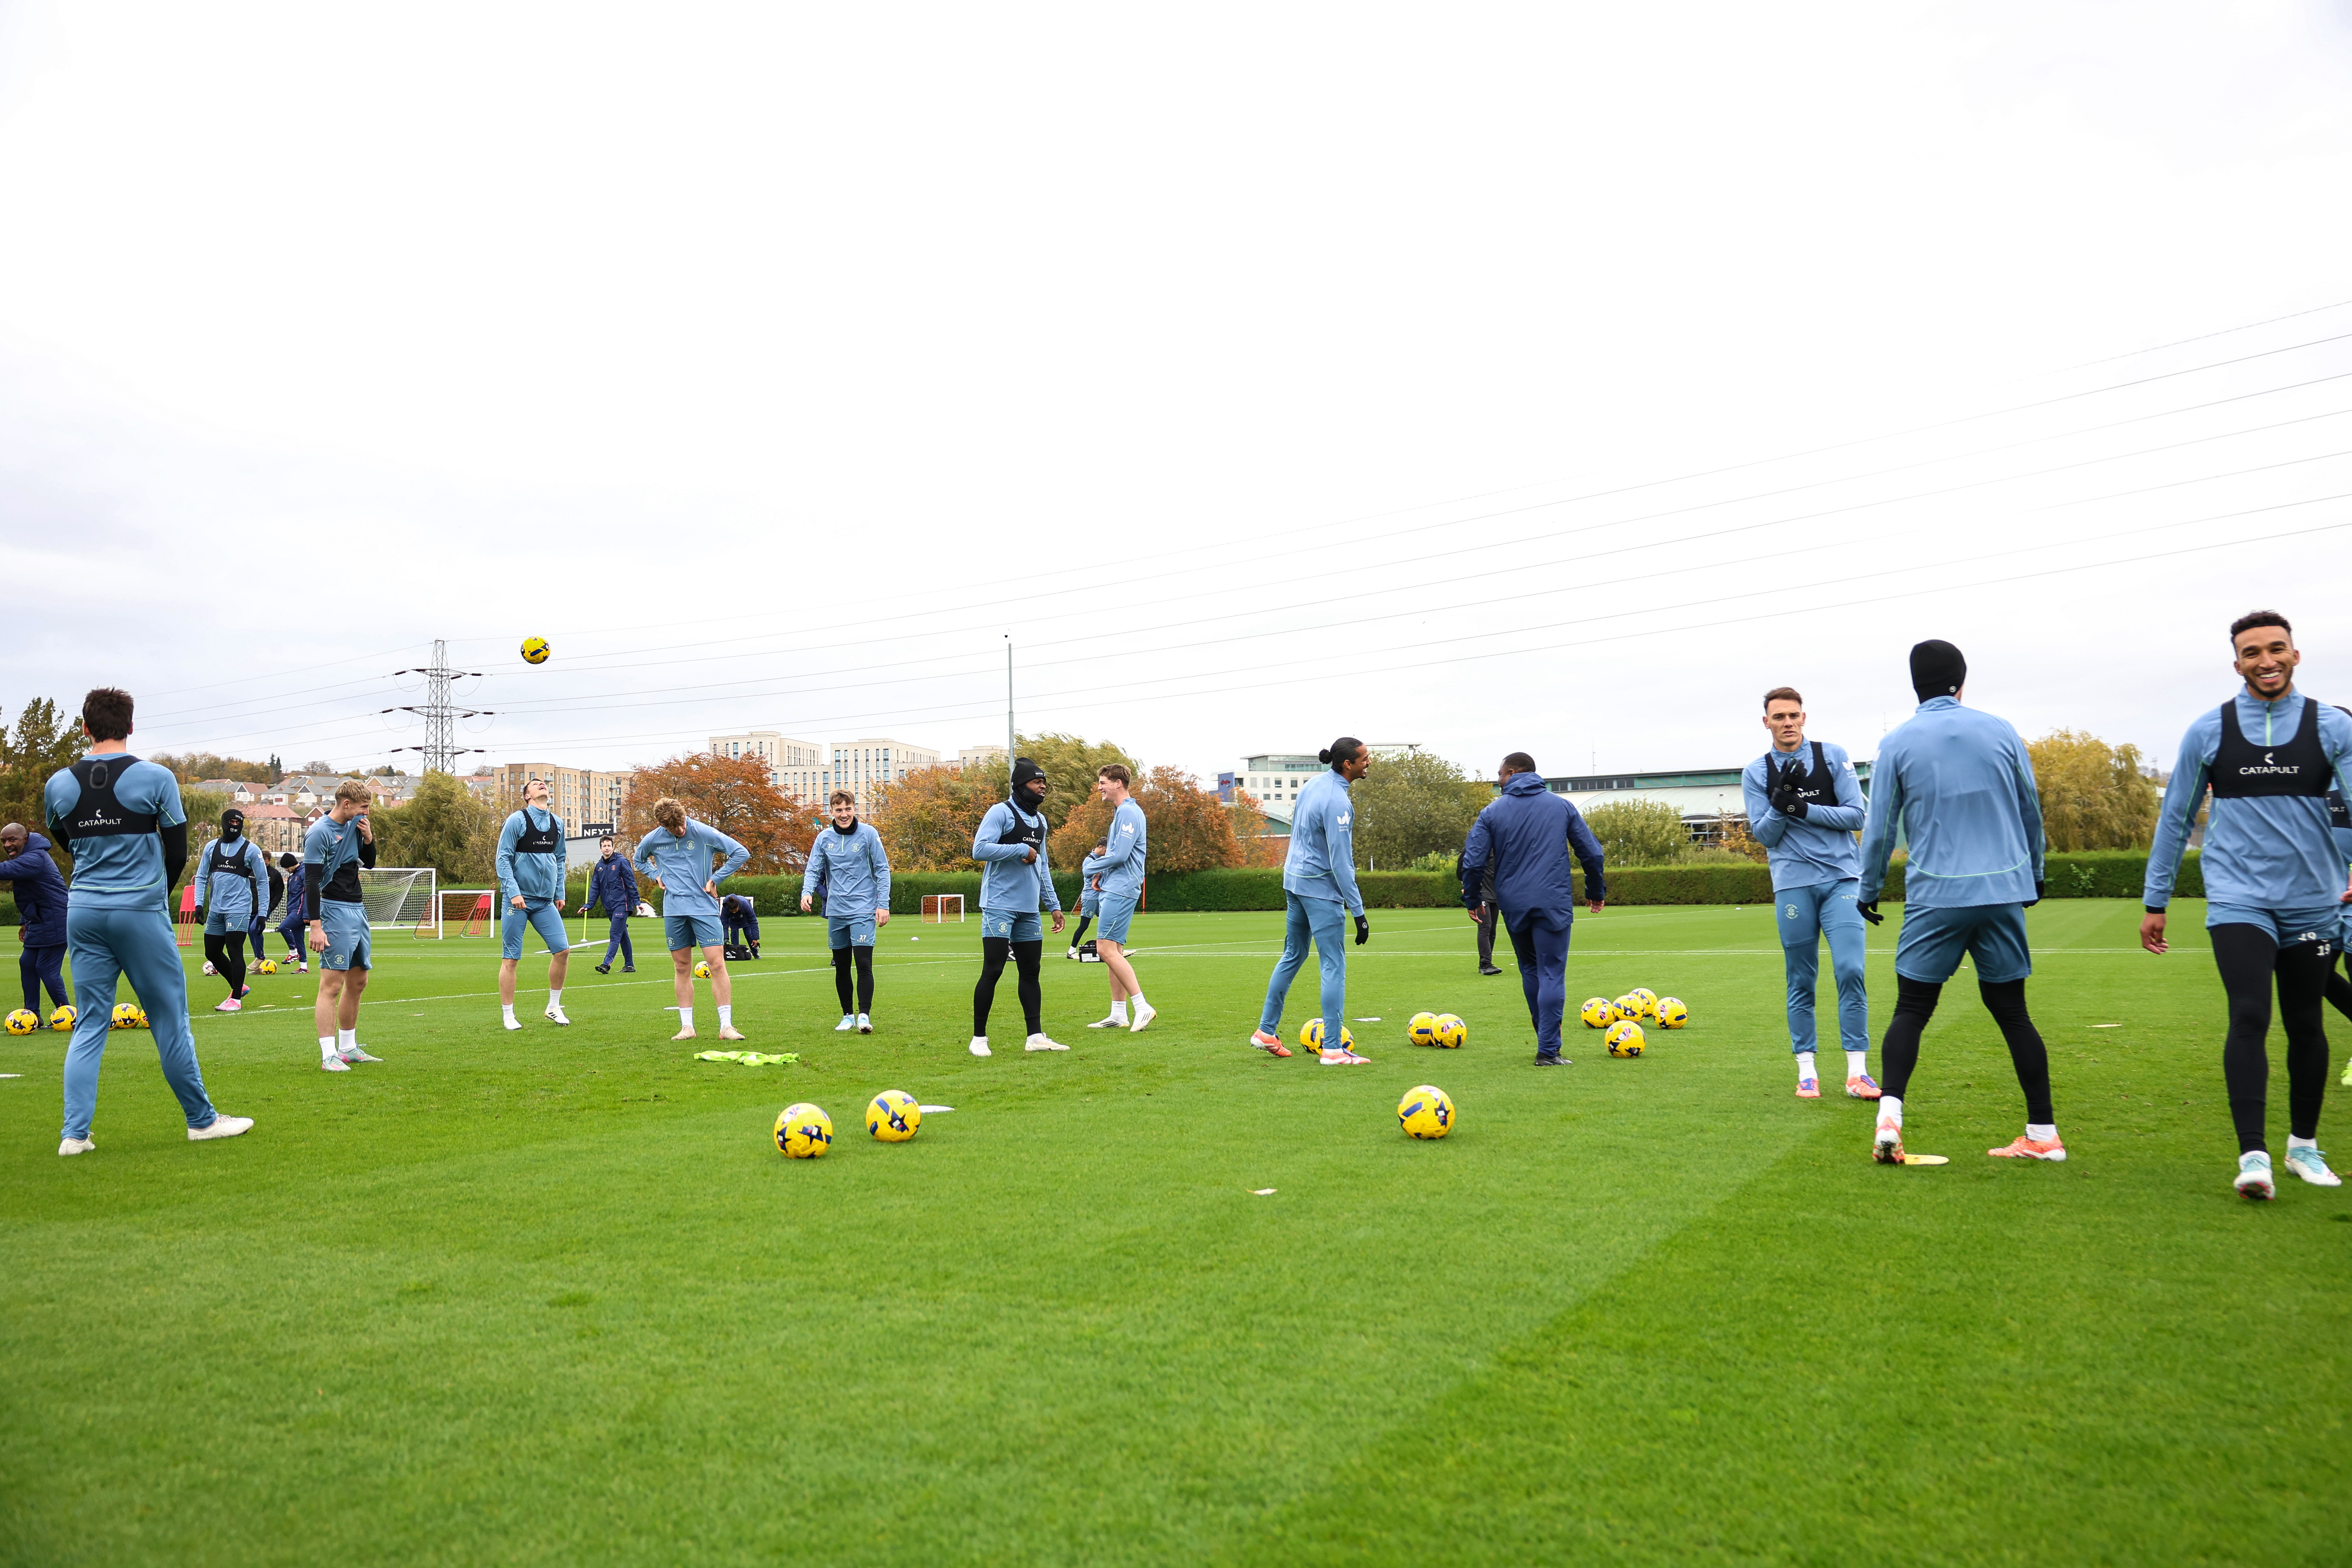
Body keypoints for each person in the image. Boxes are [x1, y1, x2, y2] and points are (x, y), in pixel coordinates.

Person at [2142, 612, 2352, 1198]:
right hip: (2238, 898)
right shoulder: (2207, 730)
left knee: (2306, 1023)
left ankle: (2303, 1148)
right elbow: (2175, 819)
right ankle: (2253, 1155)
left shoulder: (2333, 726)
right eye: (2253, 652)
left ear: (2295, 654)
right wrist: (2155, 898)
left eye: (2276, 649)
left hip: (2313, 902)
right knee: (2250, 1014)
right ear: (2237, 664)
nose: (2266, 660)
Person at [1858, 640, 2061, 1166]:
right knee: (2013, 1011)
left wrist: (1868, 890)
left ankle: (1890, 1117)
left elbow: (1879, 828)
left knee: (1912, 1008)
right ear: (1962, 679)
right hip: (2000, 891)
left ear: (1914, 685)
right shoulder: (2000, 730)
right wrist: (2034, 875)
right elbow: (2029, 809)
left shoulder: (1897, 742)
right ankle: (2043, 1132)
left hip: (1936, 894)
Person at [45, 686, 251, 1154]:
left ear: (85, 727)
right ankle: (201, 1121)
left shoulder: (58, 783)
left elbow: (65, 838)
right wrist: (153, 893)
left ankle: (73, 1135)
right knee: (169, 1020)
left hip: (83, 910)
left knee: (90, 1022)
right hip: (138, 909)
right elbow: (176, 850)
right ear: (132, 727)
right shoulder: (156, 777)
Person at [1741, 686, 1879, 1100]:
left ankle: (1857, 1072)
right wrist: (1777, 804)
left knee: (1850, 970)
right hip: (1792, 885)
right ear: (1765, 721)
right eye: (1779, 716)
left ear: (1804, 718)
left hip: (1841, 879)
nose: (1787, 722)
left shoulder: (1832, 755)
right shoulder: (1756, 771)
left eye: (1794, 715)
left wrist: (1799, 808)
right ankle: (1807, 1071)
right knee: (1800, 978)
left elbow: (1856, 814)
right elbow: (1763, 834)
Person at [1459, 753, 1606, 1065]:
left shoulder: (1492, 812)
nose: (1497, 780)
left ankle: (1546, 1040)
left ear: (1512, 773)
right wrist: (1595, 891)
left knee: (1530, 969)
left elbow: (1472, 862)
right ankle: (1548, 1049)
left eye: (1499, 774)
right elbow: (1592, 854)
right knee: (1552, 972)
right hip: (1553, 901)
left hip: (1513, 903)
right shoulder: (1561, 806)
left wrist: (1473, 900)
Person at [1250, 737, 1374, 1064]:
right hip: (1319, 890)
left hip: (1294, 882)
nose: (1368, 762)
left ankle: (1265, 1031)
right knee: (1333, 963)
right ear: (1348, 764)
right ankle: (1333, 1049)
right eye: (1364, 758)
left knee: (1293, 954)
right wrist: (1359, 912)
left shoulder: (1313, 785)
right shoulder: (1338, 802)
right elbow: (1341, 861)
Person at [968, 757, 1067, 1057]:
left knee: (1031, 971)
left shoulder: (1041, 821)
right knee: (994, 969)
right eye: (1037, 782)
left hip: (1028, 909)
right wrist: (1020, 849)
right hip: (999, 905)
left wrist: (1053, 904)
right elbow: (979, 849)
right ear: (1021, 785)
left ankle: (1035, 1037)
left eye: (1044, 783)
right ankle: (979, 1039)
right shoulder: (1001, 812)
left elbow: (1044, 865)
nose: (1042, 788)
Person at [633, 796, 750, 1042]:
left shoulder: (704, 832)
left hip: (704, 909)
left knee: (717, 965)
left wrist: (716, 879)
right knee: (681, 967)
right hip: (674, 911)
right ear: (663, 826)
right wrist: (656, 875)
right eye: (675, 828)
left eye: (682, 824)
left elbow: (740, 852)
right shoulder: (654, 839)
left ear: (685, 816)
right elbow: (638, 859)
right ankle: (687, 1027)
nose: (681, 830)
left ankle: (726, 1027)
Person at [305, 778, 384, 1071]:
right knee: (332, 985)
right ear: (346, 804)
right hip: (333, 909)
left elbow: (370, 863)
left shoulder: (357, 824)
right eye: (364, 807)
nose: (367, 812)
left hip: (357, 908)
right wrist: (315, 925)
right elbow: (312, 881)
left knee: (359, 981)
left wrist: (368, 838)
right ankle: (328, 1055)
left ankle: (349, 1048)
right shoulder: (319, 833)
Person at [801, 791, 891, 1033]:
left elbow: (882, 869)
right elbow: (813, 869)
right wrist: (807, 892)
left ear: (855, 809)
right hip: (837, 910)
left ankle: (864, 1016)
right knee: (841, 966)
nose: (844, 814)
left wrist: (883, 904)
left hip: (863, 908)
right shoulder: (823, 838)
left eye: (848, 809)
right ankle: (847, 1016)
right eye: (839, 810)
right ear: (831, 811)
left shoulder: (869, 834)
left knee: (863, 964)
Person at [1081, 764, 1154, 1032]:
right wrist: (1104, 874)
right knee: (1115, 951)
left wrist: (1090, 867)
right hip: (1117, 884)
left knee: (1105, 949)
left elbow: (1121, 854)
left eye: (1103, 782)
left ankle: (1143, 1006)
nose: (1099, 787)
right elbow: (1117, 854)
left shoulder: (1128, 812)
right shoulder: (1122, 812)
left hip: (1122, 888)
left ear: (1118, 783)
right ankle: (1118, 1013)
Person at [494, 777, 571, 1031]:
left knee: (562, 951)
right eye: (535, 784)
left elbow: (559, 859)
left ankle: (553, 1007)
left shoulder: (557, 823)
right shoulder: (517, 820)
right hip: (516, 901)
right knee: (511, 959)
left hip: (545, 902)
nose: (542, 785)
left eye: (544, 783)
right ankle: (508, 1014)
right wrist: (513, 891)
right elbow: (503, 858)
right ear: (527, 796)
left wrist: (559, 891)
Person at [193, 808, 272, 1012]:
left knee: (234, 950)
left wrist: (263, 913)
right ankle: (240, 985)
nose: (234, 826)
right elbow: (201, 877)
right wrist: (198, 903)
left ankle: (236, 999)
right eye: (231, 822)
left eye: (239, 823)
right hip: (216, 910)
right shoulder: (211, 847)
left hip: (239, 909)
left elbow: (263, 883)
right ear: (224, 823)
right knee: (212, 952)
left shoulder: (251, 850)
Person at [0, 821, 70, 1019]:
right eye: (4, 841)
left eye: (12, 840)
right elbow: (32, 894)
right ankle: (32, 1015)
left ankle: (68, 1014)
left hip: (57, 919)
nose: (7, 845)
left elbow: (6, 871)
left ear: (25, 839)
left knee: (46, 968)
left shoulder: (36, 857)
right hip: (39, 921)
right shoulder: (26, 857)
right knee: (28, 963)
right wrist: (25, 921)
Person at [587, 835, 638, 974]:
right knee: (623, 937)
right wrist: (589, 905)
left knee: (614, 934)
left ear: (613, 847)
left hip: (622, 904)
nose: (607, 848)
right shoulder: (599, 867)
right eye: (604, 846)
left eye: (609, 846)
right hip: (609, 907)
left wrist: (637, 901)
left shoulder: (622, 862)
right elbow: (595, 887)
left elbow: (631, 882)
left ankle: (606, 964)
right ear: (601, 848)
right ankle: (629, 966)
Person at [1065, 843, 1104, 958]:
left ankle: (1114, 950)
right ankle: (1071, 951)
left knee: (1107, 922)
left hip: (1101, 896)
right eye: (1106, 850)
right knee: (1084, 925)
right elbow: (1091, 876)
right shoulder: (1089, 860)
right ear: (1100, 847)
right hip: (1090, 897)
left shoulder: (1102, 859)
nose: (1107, 853)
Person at [274, 853, 308, 969]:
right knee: (299, 938)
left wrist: (307, 914)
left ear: (292, 864)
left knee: (283, 928)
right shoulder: (293, 876)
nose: (286, 870)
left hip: (300, 910)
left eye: (287, 867)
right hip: (293, 910)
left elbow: (308, 894)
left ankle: (293, 952)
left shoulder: (303, 873)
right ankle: (304, 967)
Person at [722, 893, 762, 958]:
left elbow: (753, 921)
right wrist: (725, 937)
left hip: (745, 919)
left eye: (735, 911)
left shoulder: (745, 905)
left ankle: (755, 953)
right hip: (733, 920)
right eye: (732, 911)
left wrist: (755, 938)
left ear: (739, 906)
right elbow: (724, 923)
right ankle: (736, 953)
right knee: (734, 933)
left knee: (749, 935)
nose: (734, 912)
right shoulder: (726, 907)